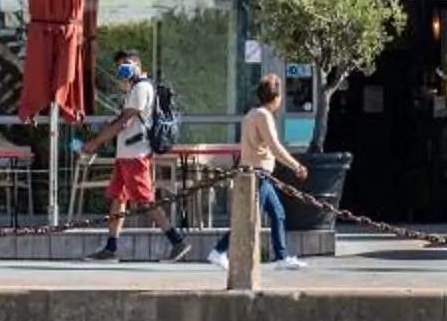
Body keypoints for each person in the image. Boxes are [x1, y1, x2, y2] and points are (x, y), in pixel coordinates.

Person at [82, 49, 188, 263]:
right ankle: (111, 247)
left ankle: (177, 241)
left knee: (145, 201)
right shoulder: (134, 88)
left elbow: (125, 121)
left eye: (127, 65)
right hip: (126, 154)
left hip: (135, 154)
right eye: (120, 66)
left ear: (138, 66)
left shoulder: (141, 88)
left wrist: (97, 141)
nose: (123, 70)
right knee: (118, 198)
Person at [207, 75, 307, 270]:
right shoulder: (263, 116)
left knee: (277, 213)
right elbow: (275, 146)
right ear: (275, 97)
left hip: (259, 173)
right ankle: (219, 251)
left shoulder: (251, 114)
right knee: (249, 218)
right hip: (258, 173)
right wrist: (296, 166)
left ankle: (281, 257)